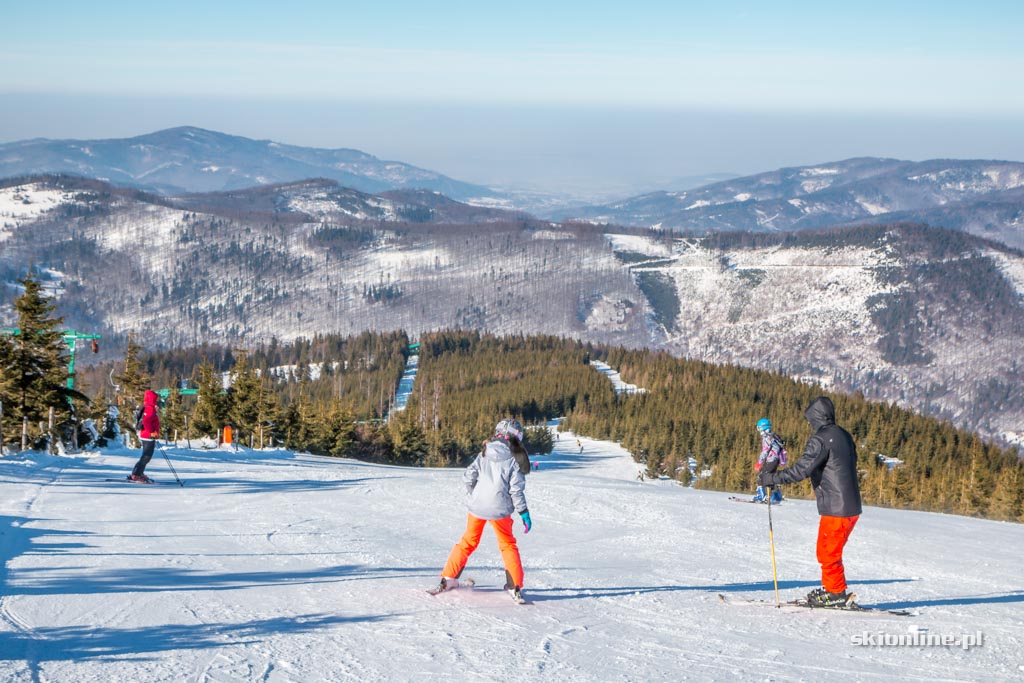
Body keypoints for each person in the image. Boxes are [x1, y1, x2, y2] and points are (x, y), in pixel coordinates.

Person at [758, 396, 862, 608]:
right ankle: (834, 589)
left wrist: (772, 478)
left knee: (827, 552)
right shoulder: (843, 435)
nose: (809, 424)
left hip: (836, 507)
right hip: (849, 505)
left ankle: (835, 594)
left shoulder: (821, 438)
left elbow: (802, 470)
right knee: (829, 550)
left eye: (810, 420)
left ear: (816, 417)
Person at [435, 418, 532, 603]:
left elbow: (468, 477)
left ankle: (448, 578)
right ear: (515, 437)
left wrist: (477, 495)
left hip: (477, 507)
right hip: (500, 510)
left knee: (467, 542)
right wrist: (524, 513)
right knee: (507, 544)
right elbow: (516, 490)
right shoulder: (514, 459)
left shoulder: (484, 452)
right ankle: (515, 586)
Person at [752, 418, 786, 504]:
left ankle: (761, 497)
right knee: (770, 477)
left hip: (771, 460)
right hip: (776, 461)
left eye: (759, 428)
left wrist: (759, 463)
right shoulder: (773, 436)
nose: (758, 430)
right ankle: (777, 496)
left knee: (761, 477)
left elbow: (765, 451)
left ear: (763, 428)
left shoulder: (767, 438)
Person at [129, 389, 160, 483]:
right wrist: (152, 432)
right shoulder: (150, 408)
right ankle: (137, 475)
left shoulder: (148, 407)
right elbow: (146, 421)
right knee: (146, 456)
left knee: (145, 456)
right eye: (155, 399)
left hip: (146, 434)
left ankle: (138, 473)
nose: (156, 400)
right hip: (148, 436)